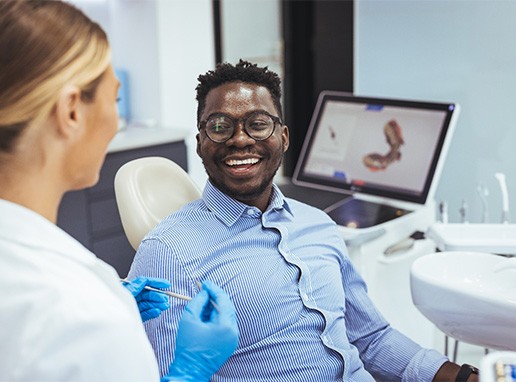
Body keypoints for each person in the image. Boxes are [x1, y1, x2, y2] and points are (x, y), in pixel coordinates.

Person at [129, 60, 479, 382]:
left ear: (283, 137)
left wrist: (463, 377)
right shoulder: (169, 252)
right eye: (219, 127)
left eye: (258, 124)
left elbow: (370, 339)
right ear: (201, 142)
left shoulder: (318, 225)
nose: (239, 139)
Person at [0, 1, 238, 381]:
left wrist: (116, 304)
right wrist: (188, 373)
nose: (115, 122)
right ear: (72, 112)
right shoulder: (83, 313)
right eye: (115, 98)